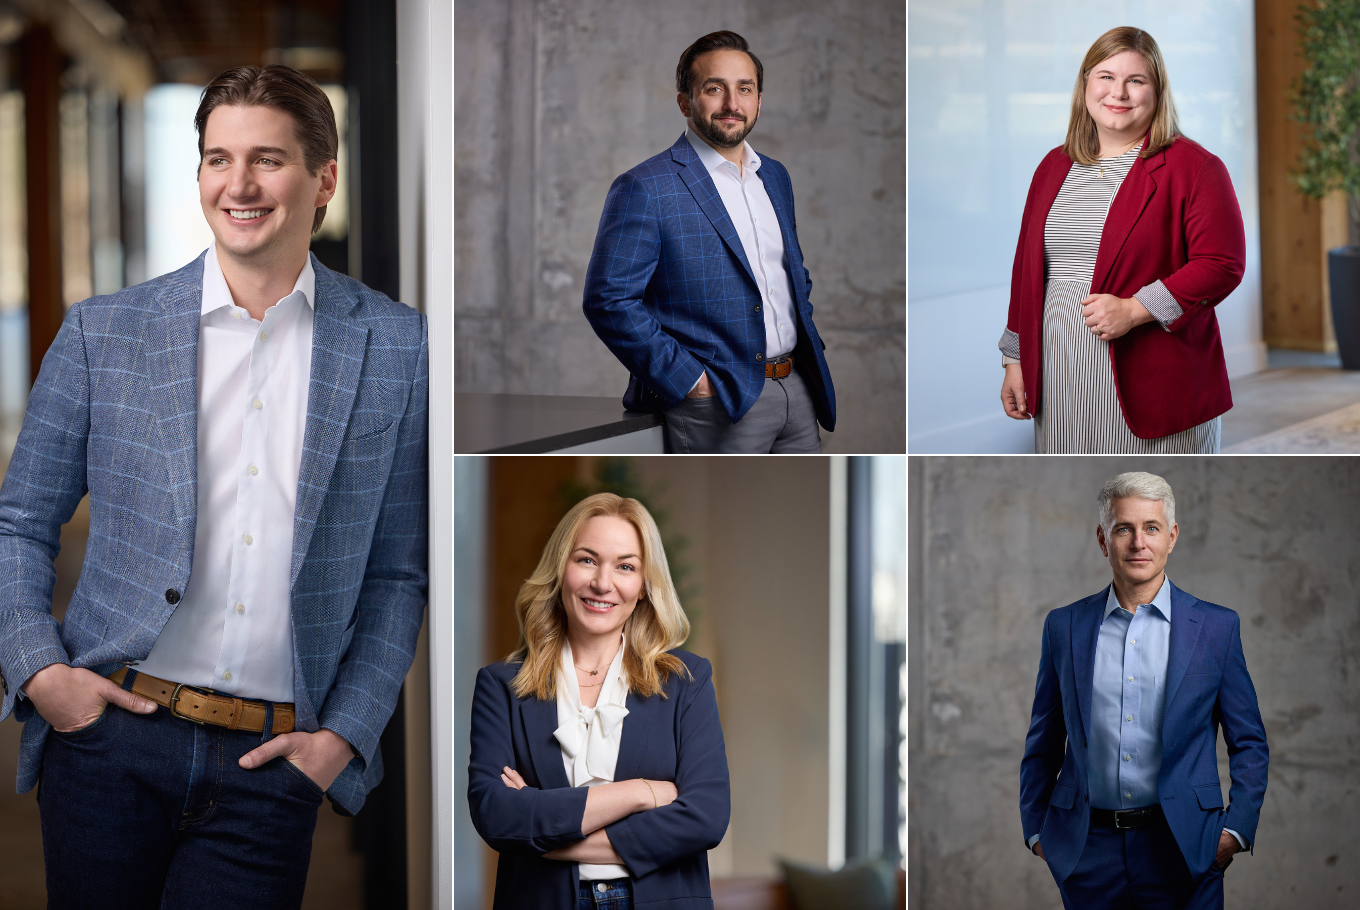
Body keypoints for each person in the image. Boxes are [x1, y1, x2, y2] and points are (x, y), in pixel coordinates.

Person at [0, 65, 427, 908]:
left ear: (323, 180)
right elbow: (19, 521)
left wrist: (341, 736)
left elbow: (396, 571)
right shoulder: (103, 332)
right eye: (216, 158)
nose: (238, 184)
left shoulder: (397, 346)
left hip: (271, 766)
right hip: (108, 742)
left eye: (267, 159)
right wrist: (39, 670)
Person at [1020, 472, 1269, 909]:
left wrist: (1234, 832)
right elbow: (1042, 743)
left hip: (1185, 848)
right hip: (1087, 853)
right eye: (1124, 529)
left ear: (1171, 537)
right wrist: (1039, 833)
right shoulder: (1064, 627)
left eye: (1151, 528)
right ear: (1103, 539)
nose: (1139, 542)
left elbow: (1249, 742)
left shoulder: (1216, 628)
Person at [469, 493, 729, 909]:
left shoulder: (687, 680)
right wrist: (641, 793)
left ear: (644, 587)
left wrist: (546, 839)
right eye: (587, 560)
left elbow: (706, 818)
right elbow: (496, 815)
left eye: (625, 566)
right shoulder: (501, 685)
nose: (603, 583)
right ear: (561, 569)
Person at [582, 30, 836, 454]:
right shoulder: (646, 187)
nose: (732, 105)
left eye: (745, 89)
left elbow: (789, 273)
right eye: (714, 89)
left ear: (758, 100)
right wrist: (689, 381)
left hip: (798, 387)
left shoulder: (773, 176)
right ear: (686, 101)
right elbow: (609, 300)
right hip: (717, 402)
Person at [998, 27, 1246, 453]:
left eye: (1137, 80)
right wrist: (1015, 359)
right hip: (1059, 375)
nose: (1120, 92)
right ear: (1086, 85)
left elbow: (1222, 264)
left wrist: (1136, 309)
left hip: (1154, 382)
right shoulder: (1052, 167)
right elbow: (1027, 271)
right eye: (1106, 77)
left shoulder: (1196, 168)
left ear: (1157, 91)